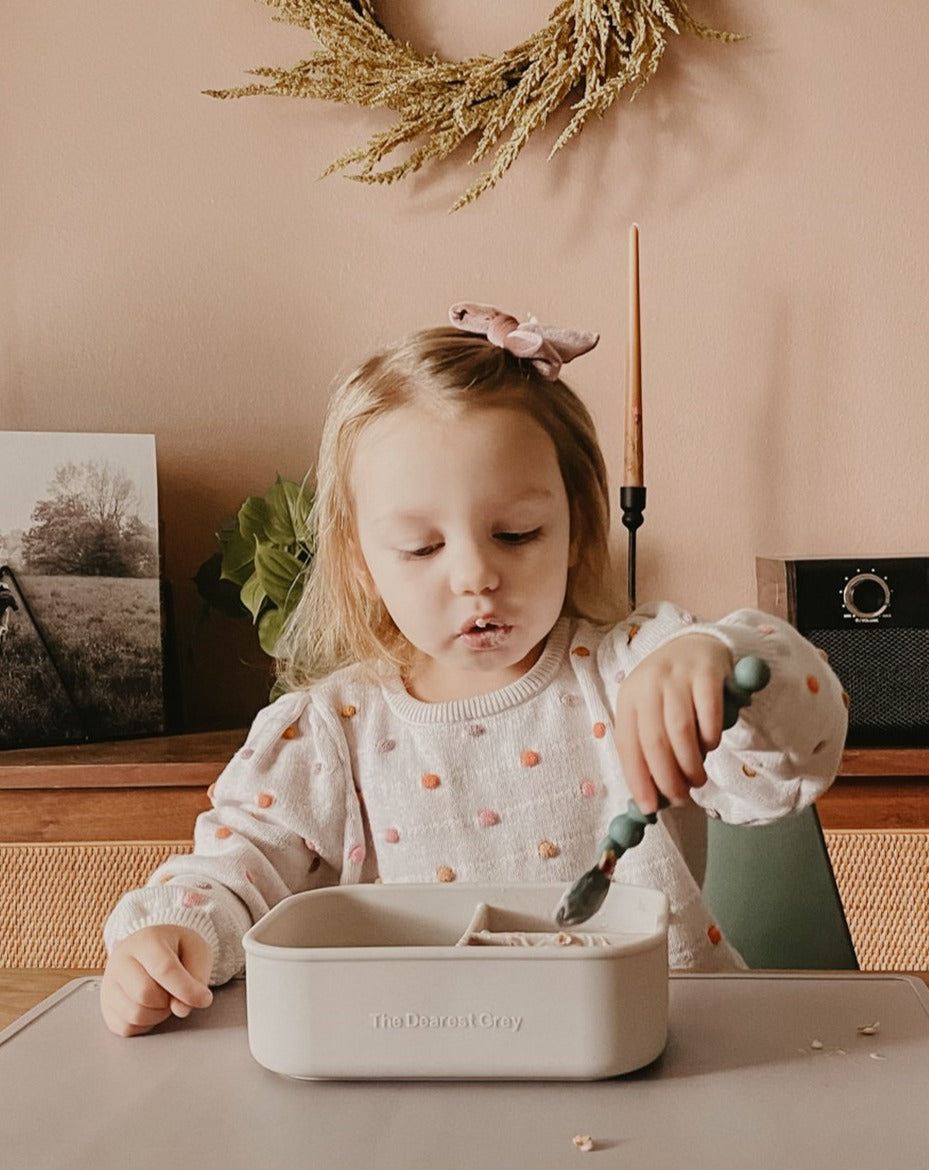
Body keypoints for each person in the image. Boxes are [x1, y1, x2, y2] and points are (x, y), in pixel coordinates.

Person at [100, 303, 848, 1036]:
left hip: (657, 1052)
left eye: (516, 534)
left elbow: (794, 762)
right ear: (361, 565)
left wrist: (723, 660)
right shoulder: (331, 732)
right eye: (422, 549)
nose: (475, 576)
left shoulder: (635, 669)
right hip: (430, 1069)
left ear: (577, 529)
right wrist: (173, 933)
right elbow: (238, 866)